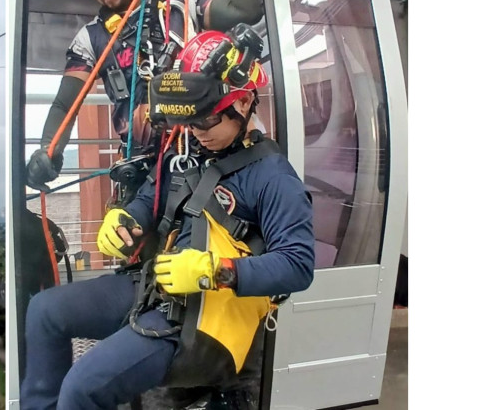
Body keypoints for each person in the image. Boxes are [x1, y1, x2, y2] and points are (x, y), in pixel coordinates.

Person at [20, 28, 315, 409]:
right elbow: (151, 198)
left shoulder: (273, 177)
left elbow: (298, 265)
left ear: (243, 103)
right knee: (44, 312)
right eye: (189, 122)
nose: (196, 132)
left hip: (205, 315)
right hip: (157, 286)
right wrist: (125, 218)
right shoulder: (188, 154)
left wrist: (215, 270)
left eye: (205, 121)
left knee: (82, 386)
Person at [26, 0, 263, 197]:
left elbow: (247, 9)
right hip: (141, 179)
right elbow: (65, 104)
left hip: (202, 163)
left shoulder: (181, 5)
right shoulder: (90, 39)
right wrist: (48, 150)